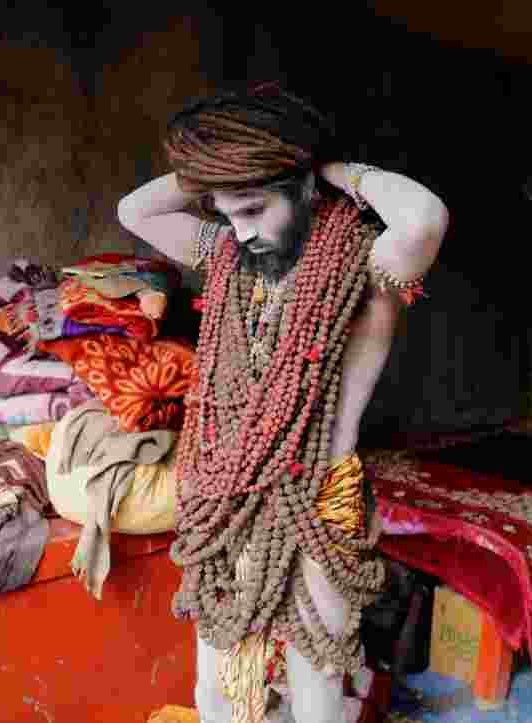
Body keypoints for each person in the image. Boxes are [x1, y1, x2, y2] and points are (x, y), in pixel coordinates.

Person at [118, 83, 449, 723]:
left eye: (253, 208)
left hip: (316, 496)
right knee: (213, 684)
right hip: (227, 492)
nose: (240, 232)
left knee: (317, 682)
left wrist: (332, 170)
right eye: (226, 212)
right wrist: (228, 176)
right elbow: (136, 208)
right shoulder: (228, 256)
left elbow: (425, 217)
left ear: (298, 188)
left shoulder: (369, 266)